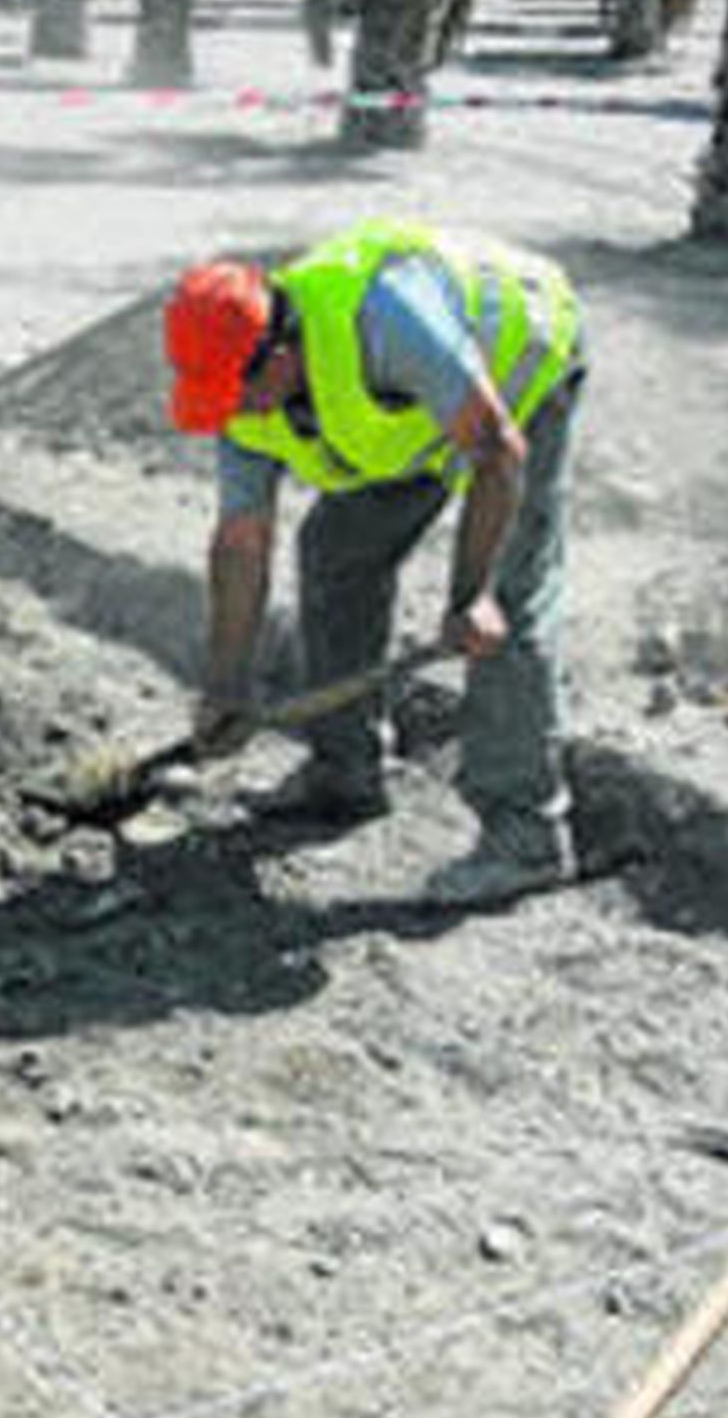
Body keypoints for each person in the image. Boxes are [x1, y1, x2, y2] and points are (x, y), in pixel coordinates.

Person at [163, 216, 588, 905]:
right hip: (422, 415)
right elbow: (242, 541)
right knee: (335, 551)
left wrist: (469, 594)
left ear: (276, 358)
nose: (231, 413)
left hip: (522, 371)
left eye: (234, 394)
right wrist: (226, 683)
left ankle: (527, 836)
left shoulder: (387, 319)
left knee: (508, 607)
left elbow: (498, 452)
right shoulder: (244, 391)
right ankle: (344, 771)